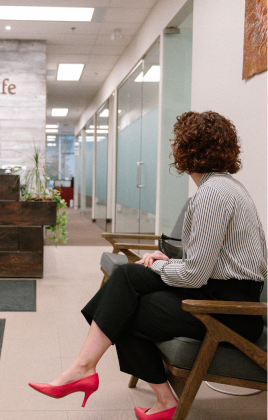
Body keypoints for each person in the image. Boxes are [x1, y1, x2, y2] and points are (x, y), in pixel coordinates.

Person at [29, 111, 268, 420]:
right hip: (219, 293)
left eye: (176, 140)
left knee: (124, 309)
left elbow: (195, 276)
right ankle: (86, 369)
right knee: (128, 277)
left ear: (188, 147)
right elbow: (211, 262)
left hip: (229, 310)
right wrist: (170, 261)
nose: (173, 146)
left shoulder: (212, 194)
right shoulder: (225, 187)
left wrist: (158, 268)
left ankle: (95, 373)